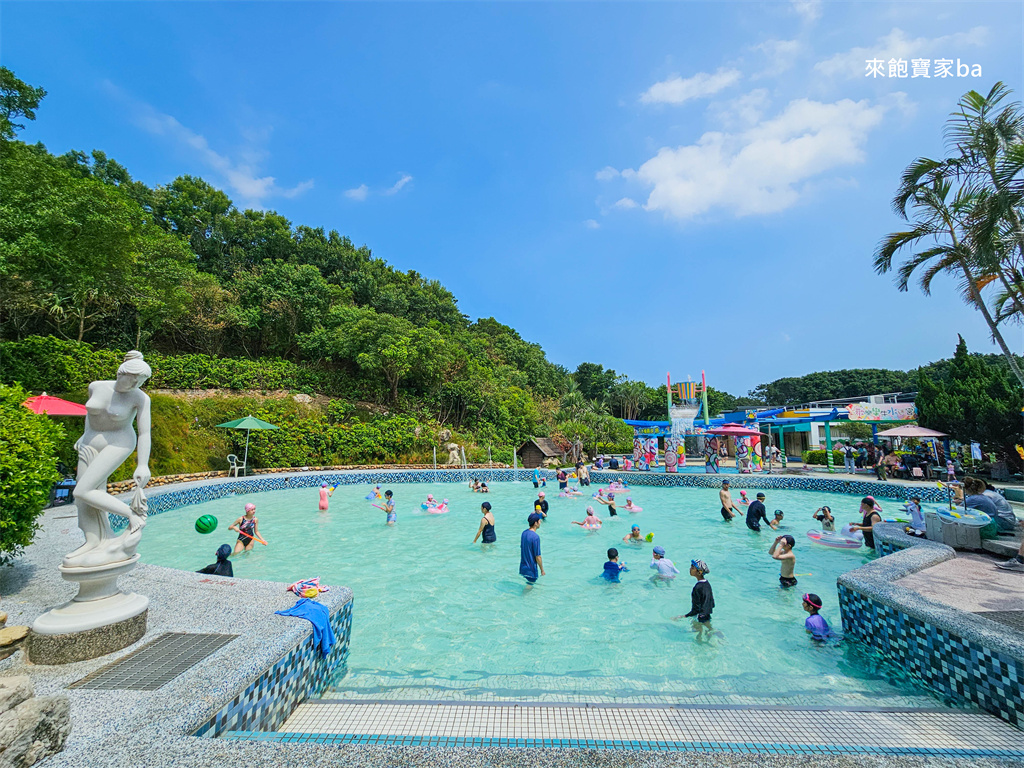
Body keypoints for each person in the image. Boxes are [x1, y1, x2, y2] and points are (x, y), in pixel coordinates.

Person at [520, 513, 545, 585]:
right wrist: (542, 570)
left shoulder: (523, 533)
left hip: (523, 567)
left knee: (528, 585)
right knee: (529, 587)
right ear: (535, 523)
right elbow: (538, 556)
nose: (540, 522)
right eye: (539, 521)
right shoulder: (535, 537)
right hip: (531, 569)